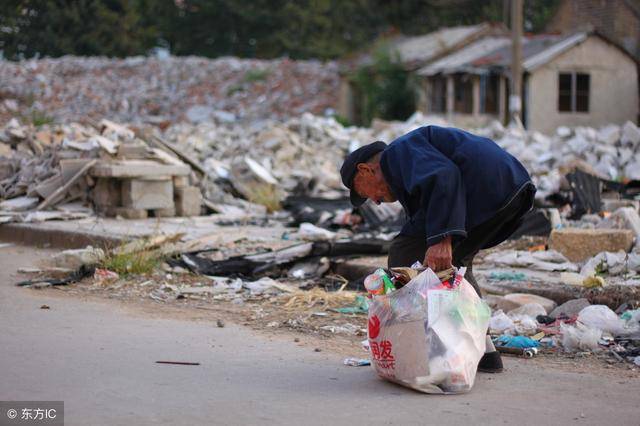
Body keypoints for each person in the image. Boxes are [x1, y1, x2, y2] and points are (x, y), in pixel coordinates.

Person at [340, 125, 535, 373]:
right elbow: (426, 208)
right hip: (510, 188)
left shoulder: (398, 154)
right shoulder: (405, 167)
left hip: (490, 188)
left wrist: (441, 239)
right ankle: (483, 351)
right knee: (455, 263)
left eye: (363, 191)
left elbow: (444, 176)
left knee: (404, 252)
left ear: (365, 170)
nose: (374, 201)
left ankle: (423, 345)